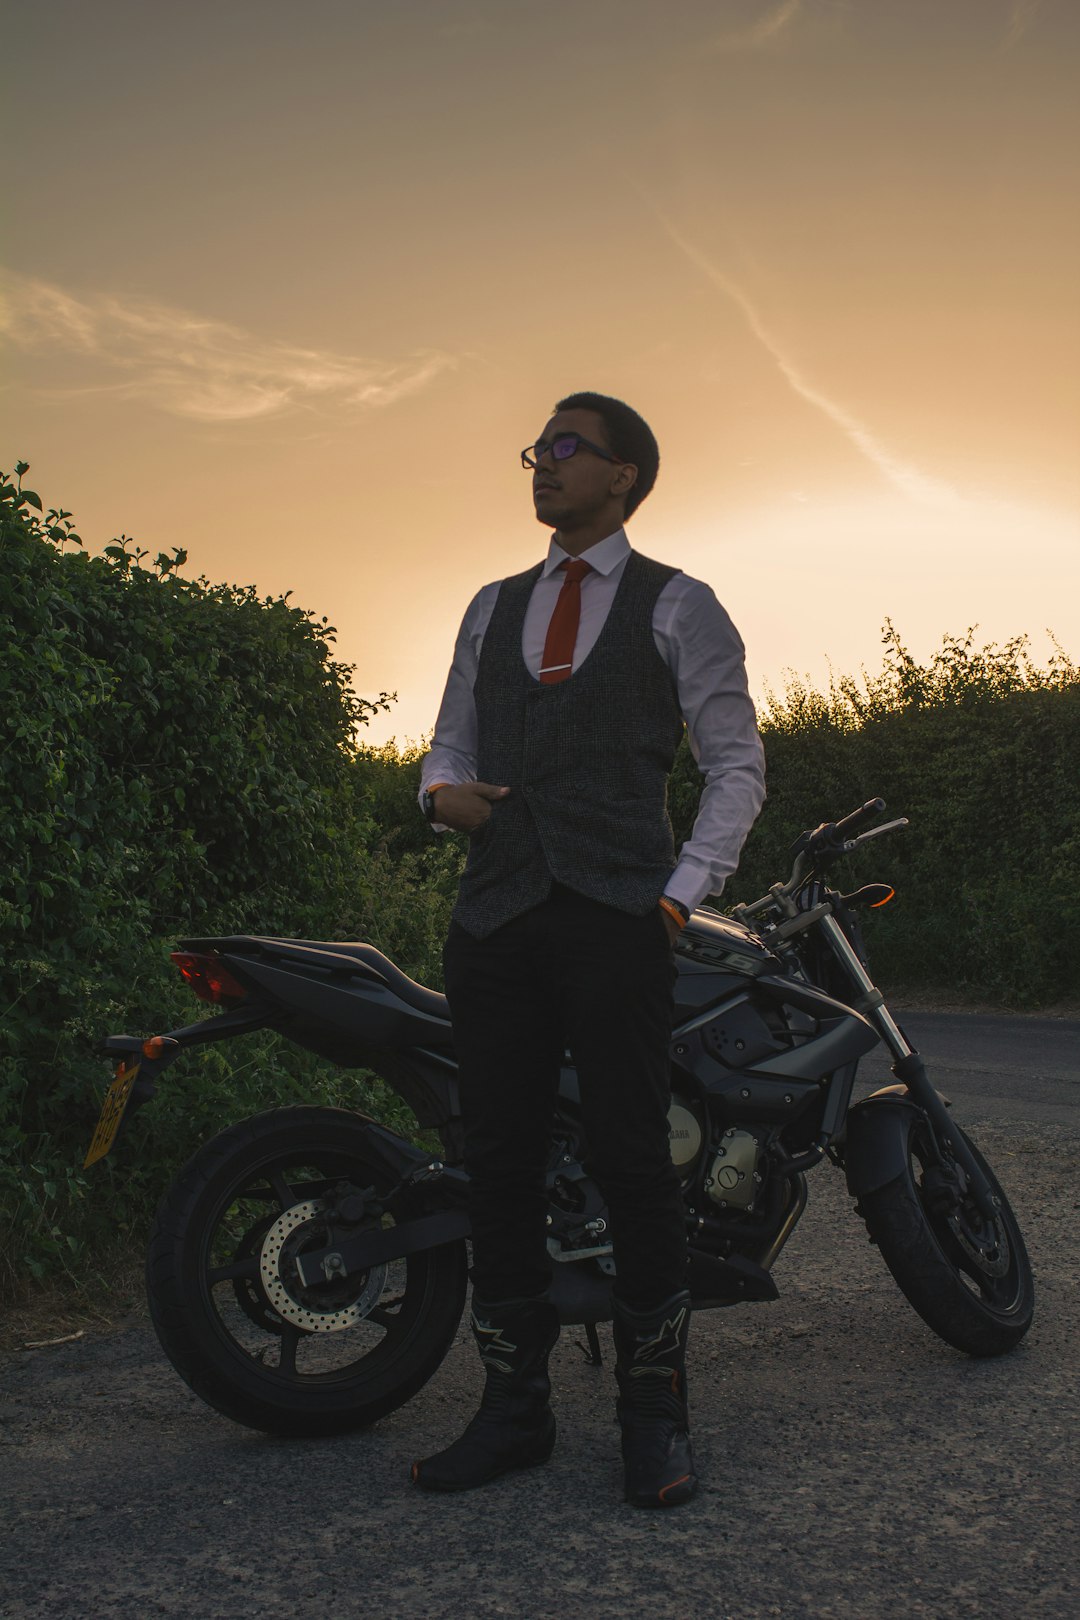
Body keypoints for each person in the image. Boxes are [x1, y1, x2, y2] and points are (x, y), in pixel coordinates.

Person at [410, 391, 765, 1507]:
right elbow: (447, 742)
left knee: (629, 1161)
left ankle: (653, 1420)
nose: (543, 463)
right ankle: (514, 1413)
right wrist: (439, 801)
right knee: (499, 1165)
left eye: (568, 447)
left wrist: (674, 899)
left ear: (625, 475)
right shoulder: (491, 603)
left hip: (618, 921)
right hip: (496, 920)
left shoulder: (680, 606)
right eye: (538, 447)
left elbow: (736, 766)